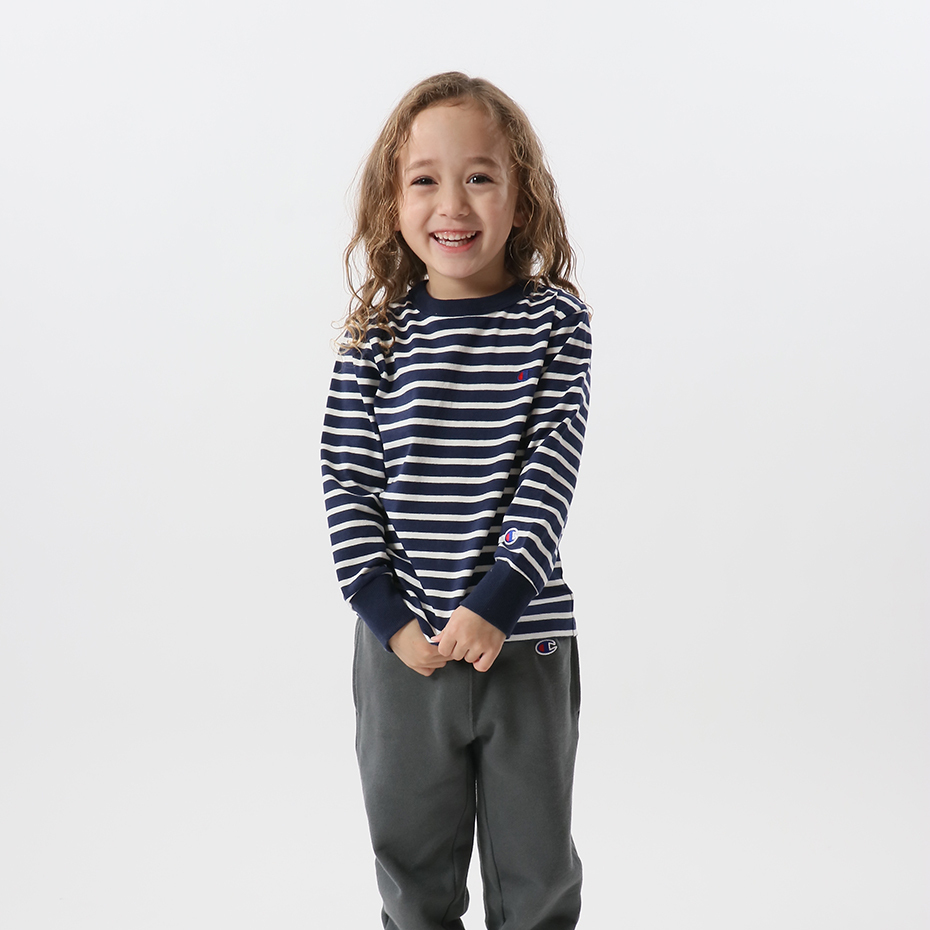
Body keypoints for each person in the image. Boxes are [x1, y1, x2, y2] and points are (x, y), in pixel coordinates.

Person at [321, 71, 592, 930]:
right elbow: (347, 483)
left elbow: (550, 470)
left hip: (524, 640)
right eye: (424, 179)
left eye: (479, 176)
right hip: (404, 651)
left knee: (536, 871)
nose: (453, 204)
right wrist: (388, 616)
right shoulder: (375, 338)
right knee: (411, 869)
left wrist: (497, 600)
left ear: (522, 195)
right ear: (393, 202)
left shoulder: (555, 325)